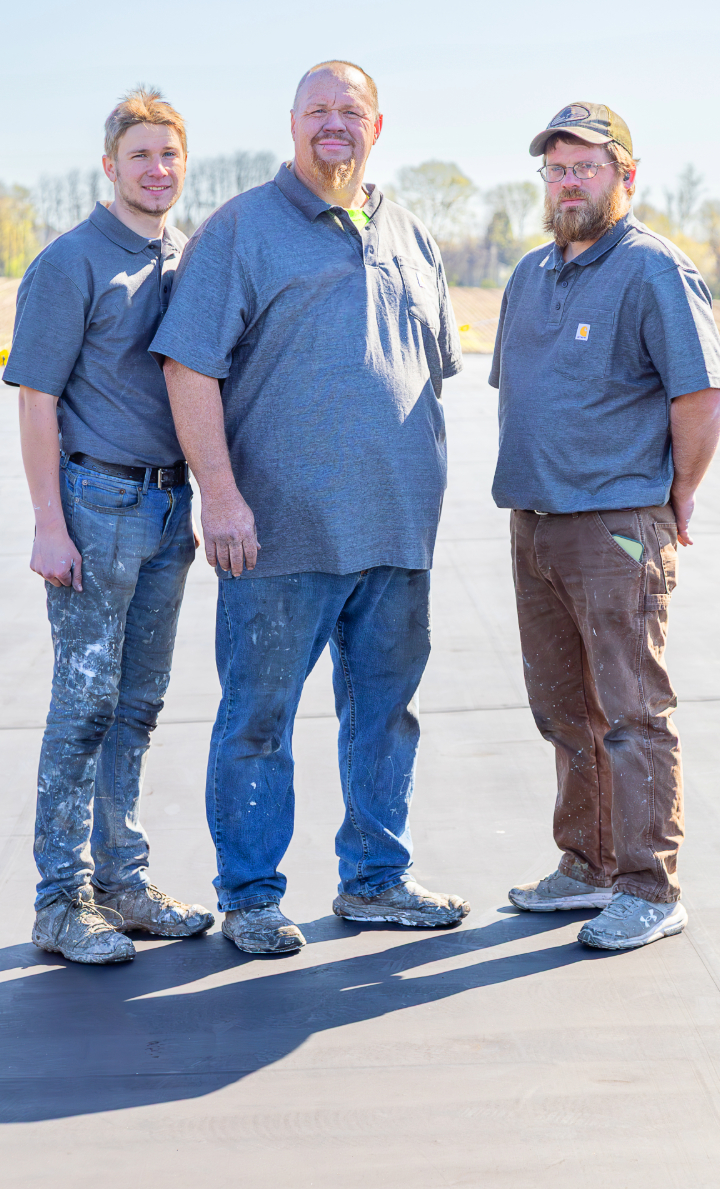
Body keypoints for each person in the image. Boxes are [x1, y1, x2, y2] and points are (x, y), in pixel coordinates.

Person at [149, 59, 470, 954]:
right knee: (259, 720)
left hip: (399, 531)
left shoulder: (409, 230)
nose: (336, 124)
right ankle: (251, 896)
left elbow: (424, 374)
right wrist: (220, 495)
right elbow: (189, 366)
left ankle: (377, 879)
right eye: (318, 110)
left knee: (386, 714)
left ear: (378, 126)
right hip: (277, 533)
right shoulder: (244, 228)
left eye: (351, 111)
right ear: (291, 124)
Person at [490, 101, 720, 950]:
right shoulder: (530, 274)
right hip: (537, 523)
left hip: (618, 526)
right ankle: (585, 865)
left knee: (631, 710)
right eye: (556, 168)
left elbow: (698, 396)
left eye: (585, 166)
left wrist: (675, 494)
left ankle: (649, 888)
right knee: (563, 709)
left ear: (626, 173)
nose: (568, 182)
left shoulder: (655, 270)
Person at [4, 88, 214, 964]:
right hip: (97, 510)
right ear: (109, 166)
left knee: (139, 705)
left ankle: (121, 883)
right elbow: (36, 399)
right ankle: (60, 900)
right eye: (140, 156)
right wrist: (49, 525)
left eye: (168, 156)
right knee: (83, 707)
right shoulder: (71, 262)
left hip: (170, 510)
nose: (156, 170)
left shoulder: (187, 259)